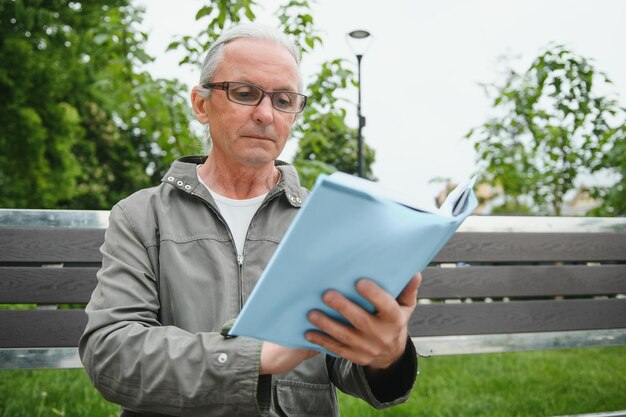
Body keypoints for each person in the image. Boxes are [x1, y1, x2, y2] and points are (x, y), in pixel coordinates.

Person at [79, 22, 422, 417]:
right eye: (245, 94)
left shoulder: (327, 222)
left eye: (283, 100)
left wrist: (386, 352)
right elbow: (112, 353)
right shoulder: (142, 216)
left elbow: (344, 364)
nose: (265, 114)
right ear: (201, 104)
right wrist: (256, 356)